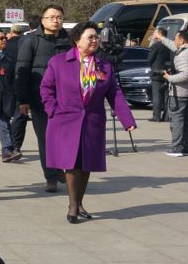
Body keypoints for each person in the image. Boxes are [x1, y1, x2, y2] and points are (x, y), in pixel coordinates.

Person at [40, 21, 136, 224]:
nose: (95, 40)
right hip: (65, 121)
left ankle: (79, 202)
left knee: (86, 164)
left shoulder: (104, 66)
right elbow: (46, 88)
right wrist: (52, 110)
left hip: (92, 122)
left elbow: (115, 94)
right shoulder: (58, 62)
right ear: (77, 40)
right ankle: (73, 206)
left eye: (96, 37)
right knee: (72, 164)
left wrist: (127, 119)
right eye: (90, 37)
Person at [16, 5, 70, 192]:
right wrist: (23, 100)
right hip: (40, 99)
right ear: (42, 20)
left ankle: (60, 165)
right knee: (46, 138)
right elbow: (22, 71)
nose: (56, 20)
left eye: (59, 17)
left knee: (65, 137)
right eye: (51, 17)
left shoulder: (70, 41)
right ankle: (51, 177)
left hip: (67, 99)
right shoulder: (31, 41)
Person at [158, 27, 188, 157]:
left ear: (182, 40)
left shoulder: (182, 55)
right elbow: (174, 46)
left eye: (176, 38)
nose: (174, 41)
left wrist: (169, 78)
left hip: (179, 93)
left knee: (177, 121)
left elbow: (185, 74)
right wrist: (162, 38)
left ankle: (177, 148)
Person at [0, 30, 21, 162]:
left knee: (5, 121)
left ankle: (7, 150)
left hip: (5, 95)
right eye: (1, 38)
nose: (4, 40)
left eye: (5, 38)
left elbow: (12, 78)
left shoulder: (9, 58)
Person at [147, 27, 172, 122]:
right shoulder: (170, 44)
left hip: (157, 72)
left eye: (155, 33)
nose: (153, 35)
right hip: (168, 72)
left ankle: (156, 116)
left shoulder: (156, 45)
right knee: (166, 96)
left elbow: (149, 59)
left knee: (157, 95)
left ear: (160, 34)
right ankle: (167, 116)